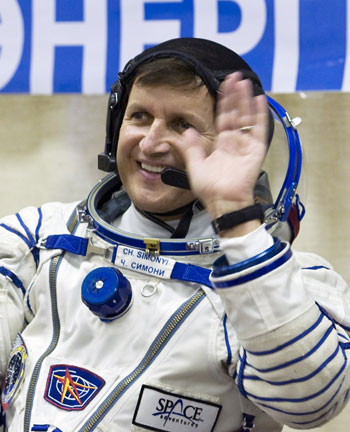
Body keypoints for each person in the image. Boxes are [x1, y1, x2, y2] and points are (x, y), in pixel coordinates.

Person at [0, 38, 350, 432]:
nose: (151, 143)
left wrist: (235, 216)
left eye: (182, 124)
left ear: (234, 142)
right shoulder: (41, 238)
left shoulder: (293, 284)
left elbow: (311, 402)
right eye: (140, 117)